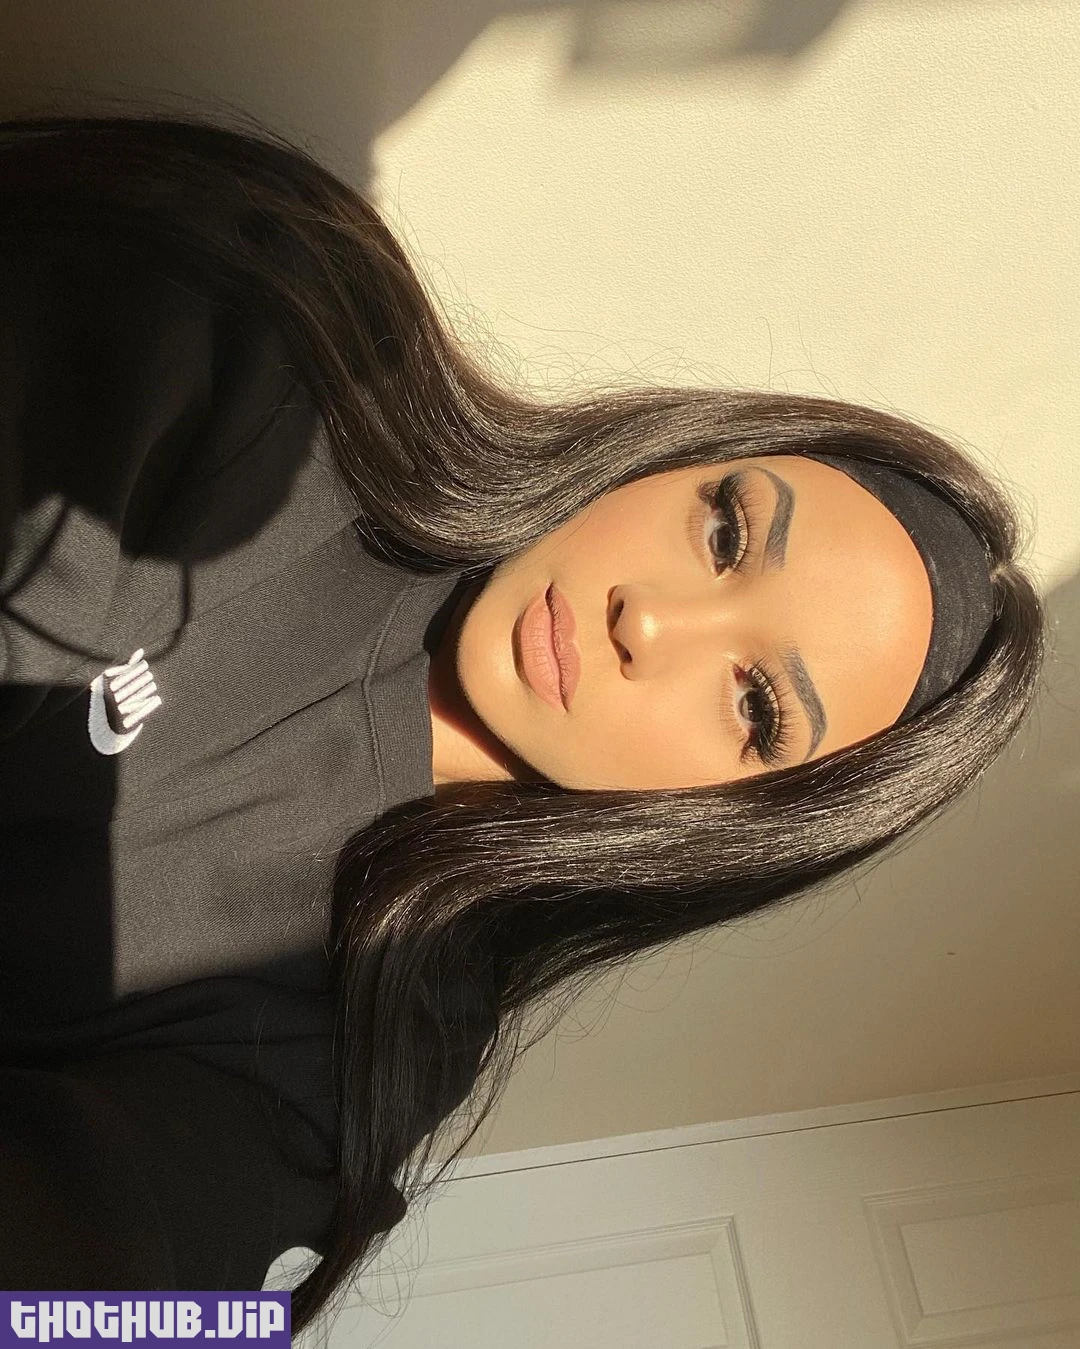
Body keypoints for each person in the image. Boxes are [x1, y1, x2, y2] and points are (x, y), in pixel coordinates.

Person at [0, 113, 1046, 1337]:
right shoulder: (304, 352)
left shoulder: (390, 1023)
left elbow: (105, 1294)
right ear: (679, 457)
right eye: (726, 532)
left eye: (757, 703)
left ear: (741, 817)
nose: (650, 622)